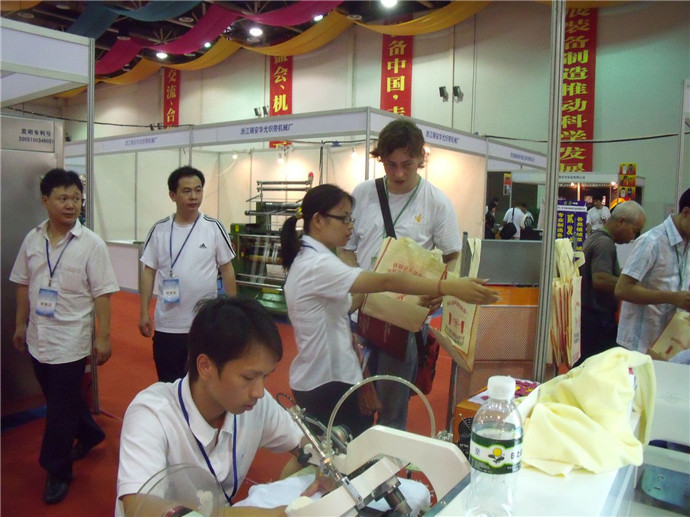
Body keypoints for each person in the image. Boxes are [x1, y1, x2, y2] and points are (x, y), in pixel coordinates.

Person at [283, 182, 498, 436]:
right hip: (327, 382)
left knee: (348, 440)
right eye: (344, 218)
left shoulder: (314, 258)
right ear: (318, 220)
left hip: (335, 372)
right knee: (340, 450)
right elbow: (387, 281)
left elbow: (344, 309)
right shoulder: (318, 264)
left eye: (351, 218)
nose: (350, 226)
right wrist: (449, 287)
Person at [117, 297, 323, 517]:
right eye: (248, 377)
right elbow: (139, 507)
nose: (259, 391)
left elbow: (304, 443)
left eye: (265, 376)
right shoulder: (151, 414)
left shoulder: (255, 405)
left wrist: (324, 463)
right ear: (205, 366)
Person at [338, 118, 470, 430]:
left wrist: (441, 287)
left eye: (406, 164)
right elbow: (346, 247)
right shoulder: (363, 193)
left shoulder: (436, 202)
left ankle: (387, 459)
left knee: (392, 410)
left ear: (421, 158)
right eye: (391, 164)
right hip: (358, 317)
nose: (398, 173)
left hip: (403, 323)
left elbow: (452, 255)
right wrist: (355, 282)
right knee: (351, 404)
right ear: (380, 159)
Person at [10, 168, 119, 504]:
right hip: (38, 337)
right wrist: (20, 324)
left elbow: (102, 294)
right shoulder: (32, 239)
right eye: (63, 198)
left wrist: (104, 336)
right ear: (46, 201)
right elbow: (23, 284)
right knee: (62, 399)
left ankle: (57, 470)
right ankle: (89, 432)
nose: (71, 205)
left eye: (76, 198)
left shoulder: (92, 245)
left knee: (58, 410)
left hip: (71, 340)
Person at [139, 166, 237, 382]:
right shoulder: (159, 230)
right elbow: (148, 272)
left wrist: (233, 310)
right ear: (172, 195)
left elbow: (227, 269)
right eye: (186, 191)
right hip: (168, 324)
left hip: (204, 324)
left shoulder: (213, 227)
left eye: (198, 190)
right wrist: (144, 311)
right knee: (169, 384)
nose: (194, 196)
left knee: (204, 383)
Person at [615, 188, 690, 353]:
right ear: (686, 213)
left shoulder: (687, 245)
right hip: (639, 345)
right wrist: (673, 298)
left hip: (669, 344)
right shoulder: (651, 242)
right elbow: (622, 289)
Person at [576, 201, 645, 365]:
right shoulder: (605, 244)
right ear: (621, 221)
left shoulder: (596, 238)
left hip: (590, 318)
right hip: (597, 320)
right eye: (634, 230)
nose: (633, 237)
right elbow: (600, 279)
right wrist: (629, 286)